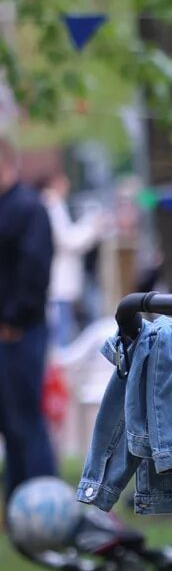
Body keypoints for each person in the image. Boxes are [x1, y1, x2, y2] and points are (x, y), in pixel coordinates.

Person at [0, 140, 56, 499]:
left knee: (25, 421)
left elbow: (34, 272)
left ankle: (42, 500)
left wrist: (13, 320)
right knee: (9, 424)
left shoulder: (28, 209)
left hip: (19, 333)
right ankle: (17, 501)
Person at [42, 173, 103, 349]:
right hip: (58, 281)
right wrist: (92, 227)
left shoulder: (51, 205)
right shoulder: (53, 206)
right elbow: (67, 240)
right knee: (61, 335)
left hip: (60, 281)